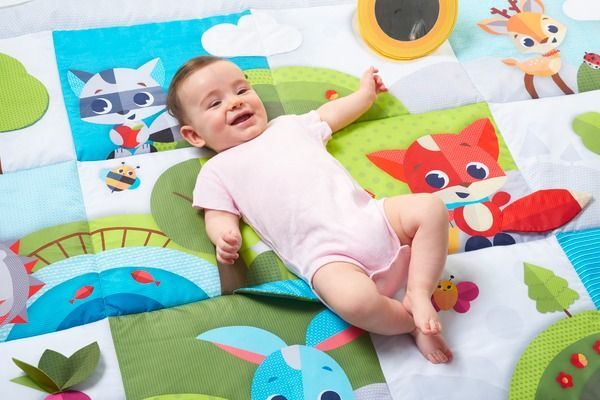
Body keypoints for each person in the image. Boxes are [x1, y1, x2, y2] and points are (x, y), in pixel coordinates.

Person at [166, 56, 453, 364]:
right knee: (354, 302)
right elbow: (217, 214)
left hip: (373, 217)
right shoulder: (216, 170)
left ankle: (418, 293)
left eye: (242, 90)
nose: (235, 102)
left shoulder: (289, 126)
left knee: (431, 208)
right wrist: (224, 235)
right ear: (195, 135)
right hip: (327, 257)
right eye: (215, 103)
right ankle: (410, 323)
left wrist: (365, 95)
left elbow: (332, 114)